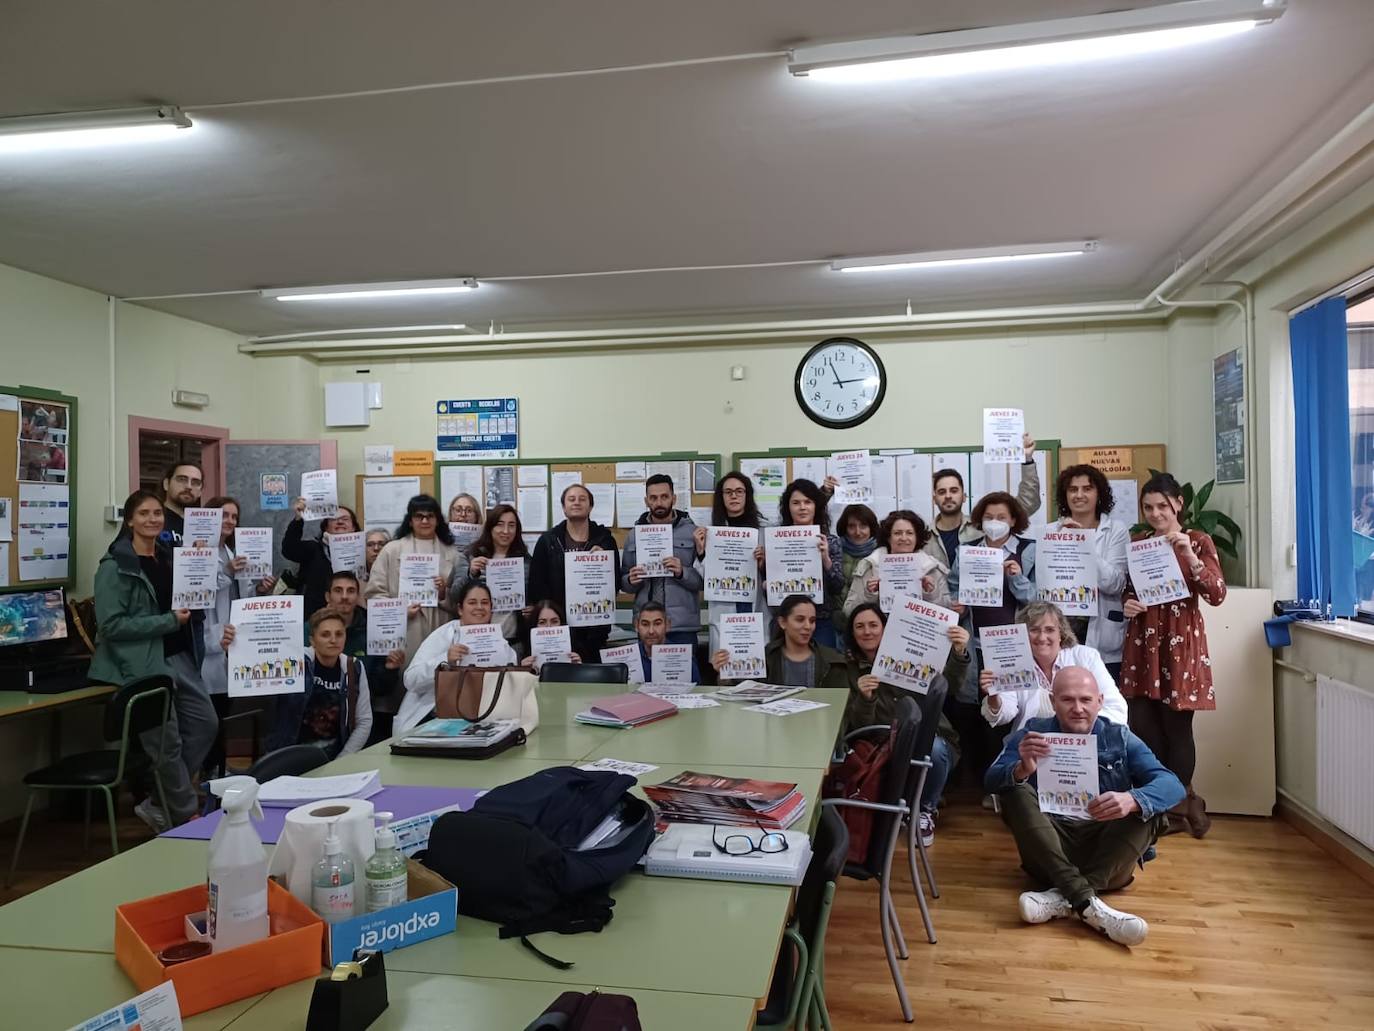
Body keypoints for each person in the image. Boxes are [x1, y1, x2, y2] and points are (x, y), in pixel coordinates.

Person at [985, 666, 1184, 947]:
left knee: (1150, 808)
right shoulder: (1033, 732)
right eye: (1067, 700)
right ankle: (1090, 904)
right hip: (1050, 849)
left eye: (1085, 700)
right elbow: (990, 780)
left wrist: (1132, 800)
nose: (1077, 708)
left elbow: (1172, 784)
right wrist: (1021, 769)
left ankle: (1065, 898)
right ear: (1053, 701)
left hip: (1107, 854)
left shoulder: (1120, 737)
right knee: (1015, 793)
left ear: (1100, 701)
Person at [89, 490, 217, 831]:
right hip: (143, 664)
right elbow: (110, 626)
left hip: (179, 656)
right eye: (143, 513)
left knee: (206, 724)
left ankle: (159, 801)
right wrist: (168, 621)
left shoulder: (167, 557)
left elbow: (187, 598)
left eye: (157, 513)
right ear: (130, 520)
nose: (152, 519)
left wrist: (200, 569)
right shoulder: (115, 566)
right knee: (166, 745)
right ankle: (185, 817)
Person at [1120, 471, 1227, 838]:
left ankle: (1177, 805)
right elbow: (1128, 589)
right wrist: (1128, 604)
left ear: (1178, 504)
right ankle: (1169, 803)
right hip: (1142, 642)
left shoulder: (1198, 541)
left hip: (1180, 644)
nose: (1155, 513)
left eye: (1162, 506)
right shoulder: (1138, 542)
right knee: (1143, 725)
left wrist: (1190, 558)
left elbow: (1216, 593)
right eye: (1148, 507)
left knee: (1177, 727)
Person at [844, 602, 968, 846]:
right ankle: (900, 806)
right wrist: (865, 700)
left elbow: (950, 687)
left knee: (935, 749)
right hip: (880, 745)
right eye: (859, 626)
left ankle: (925, 810)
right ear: (851, 633)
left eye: (873, 625)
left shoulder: (912, 654)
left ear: (885, 628)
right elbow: (858, 728)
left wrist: (959, 652)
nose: (867, 631)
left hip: (927, 738)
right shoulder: (846, 669)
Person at [234, 609, 374, 758]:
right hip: (287, 756)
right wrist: (233, 651)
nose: (333, 640)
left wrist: (342, 759)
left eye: (339, 634)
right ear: (312, 640)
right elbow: (254, 683)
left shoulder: (354, 667)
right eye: (325, 634)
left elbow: (364, 721)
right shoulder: (292, 661)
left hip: (334, 758)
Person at [200, 496, 275, 771]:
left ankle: (218, 769)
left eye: (234, 516)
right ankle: (208, 771)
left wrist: (261, 590)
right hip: (212, 640)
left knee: (225, 714)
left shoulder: (234, 553)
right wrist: (227, 573)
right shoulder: (198, 552)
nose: (230, 521)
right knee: (210, 715)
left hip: (235, 642)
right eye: (224, 515)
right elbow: (200, 592)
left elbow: (239, 597)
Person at [979, 601, 1128, 734]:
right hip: (1031, 741)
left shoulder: (1085, 656)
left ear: (1061, 634)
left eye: (1049, 630)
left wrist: (1080, 731)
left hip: (1085, 740)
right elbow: (1006, 714)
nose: (1042, 637)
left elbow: (1116, 708)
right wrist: (994, 695)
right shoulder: (1013, 663)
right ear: (1022, 634)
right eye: (1034, 630)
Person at [397, 580, 518, 732]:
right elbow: (410, 680)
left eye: (485, 603)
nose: (479, 607)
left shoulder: (500, 643)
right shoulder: (443, 635)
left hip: (484, 719)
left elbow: (510, 686)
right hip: (435, 719)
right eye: (472, 602)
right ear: (460, 609)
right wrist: (444, 660)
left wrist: (520, 670)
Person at [1047, 464, 1131, 679]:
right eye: (1073, 489)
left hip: (1103, 637)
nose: (1079, 495)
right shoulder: (1050, 532)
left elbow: (1114, 583)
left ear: (1099, 494)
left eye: (1087, 489)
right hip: (1061, 631)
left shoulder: (1116, 530)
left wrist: (1083, 541)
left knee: (1101, 703)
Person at [922, 433, 1041, 576]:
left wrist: (1027, 460)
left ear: (964, 496)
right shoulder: (922, 536)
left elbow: (1029, 502)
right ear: (934, 499)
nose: (948, 496)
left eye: (954, 490)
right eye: (942, 492)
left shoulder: (982, 526)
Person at [527, 483, 620, 663]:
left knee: (593, 686)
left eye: (582, 499)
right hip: (557, 631)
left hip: (595, 630)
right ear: (563, 507)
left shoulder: (605, 540)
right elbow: (537, 585)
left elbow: (615, 583)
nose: (576, 503)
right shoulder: (547, 541)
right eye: (571, 499)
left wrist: (605, 564)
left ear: (590, 506)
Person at [365, 494, 458, 658]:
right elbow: (374, 595)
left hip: (441, 628)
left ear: (437, 520)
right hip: (404, 630)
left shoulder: (453, 553)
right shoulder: (391, 550)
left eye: (430, 516)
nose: (424, 521)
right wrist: (398, 611)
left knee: (440, 677)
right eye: (419, 516)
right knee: (405, 677)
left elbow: (462, 603)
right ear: (410, 521)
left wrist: (443, 593)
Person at [319, 570, 405, 742]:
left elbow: (380, 688)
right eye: (338, 591)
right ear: (328, 596)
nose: (345, 596)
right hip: (319, 715)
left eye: (350, 591)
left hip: (360, 716)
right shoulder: (312, 629)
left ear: (358, 596)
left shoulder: (373, 631)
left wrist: (389, 670)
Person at [711, 594, 857, 691]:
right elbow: (739, 697)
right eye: (800, 619)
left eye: (812, 621)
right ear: (782, 622)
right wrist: (724, 674)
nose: (807, 626)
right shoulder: (765, 658)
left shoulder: (833, 661)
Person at [693, 471, 769, 654]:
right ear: (721, 497)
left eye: (739, 491)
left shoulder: (763, 533)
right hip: (724, 615)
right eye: (728, 492)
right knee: (725, 673)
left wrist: (764, 565)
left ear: (747, 495)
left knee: (756, 669)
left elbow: (774, 580)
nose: (734, 495)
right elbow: (706, 580)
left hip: (756, 613)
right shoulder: (711, 533)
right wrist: (702, 553)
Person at [621, 475, 702, 646]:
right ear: (646, 501)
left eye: (664, 496)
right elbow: (624, 583)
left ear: (674, 498)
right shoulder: (634, 535)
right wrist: (631, 579)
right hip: (646, 627)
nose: (659, 502)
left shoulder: (693, 533)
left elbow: (702, 581)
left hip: (681, 626)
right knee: (647, 673)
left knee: (683, 673)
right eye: (653, 498)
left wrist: (682, 572)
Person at [776, 479, 845, 649]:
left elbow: (838, 586)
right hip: (788, 621)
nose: (802, 507)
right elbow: (768, 586)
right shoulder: (776, 540)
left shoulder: (830, 541)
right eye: (796, 503)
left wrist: (826, 559)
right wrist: (765, 575)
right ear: (788, 508)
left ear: (816, 507)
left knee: (825, 670)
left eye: (808, 502)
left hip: (820, 620)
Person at [453, 504, 532, 648]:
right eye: (500, 525)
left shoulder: (525, 560)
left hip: (513, 640)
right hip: (477, 638)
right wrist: (470, 574)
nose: (506, 531)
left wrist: (532, 610)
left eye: (511, 525)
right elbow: (455, 595)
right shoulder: (471, 555)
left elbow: (533, 596)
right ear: (490, 528)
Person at [843, 509, 946, 615]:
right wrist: (869, 595)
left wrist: (931, 594)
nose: (904, 538)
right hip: (881, 631)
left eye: (910, 533)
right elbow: (848, 611)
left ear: (917, 537)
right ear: (888, 537)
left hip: (918, 629)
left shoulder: (931, 567)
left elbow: (948, 612)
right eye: (897, 533)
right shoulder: (869, 565)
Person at [282, 498, 362, 618]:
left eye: (345, 519)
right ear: (326, 527)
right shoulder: (313, 549)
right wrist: (298, 519)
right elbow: (289, 550)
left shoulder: (363, 552)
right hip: (314, 617)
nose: (340, 522)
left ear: (353, 527)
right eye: (334, 519)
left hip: (352, 617)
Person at [834, 503, 880, 636]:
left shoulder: (881, 555)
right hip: (838, 626)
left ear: (872, 528)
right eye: (851, 526)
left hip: (869, 626)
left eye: (863, 526)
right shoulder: (834, 550)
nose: (858, 532)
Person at [632, 601, 701, 683]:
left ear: (667, 625)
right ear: (637, 626)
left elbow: (696, 691)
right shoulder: (629, 657)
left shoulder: (684, 658)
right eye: (645, 624)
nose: (651, 631)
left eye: (657, 624)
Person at [519, 599, 583, 670]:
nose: (549, 626)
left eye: (554, 622)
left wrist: (578, 668)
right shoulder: (522, 650)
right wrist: (523, 670)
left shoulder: (576, 648)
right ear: (534, 625)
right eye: (542, 622)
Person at [159, 462, 203, 546]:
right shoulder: (151, 519)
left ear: (200, 492)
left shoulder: (202, 526)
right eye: (182, 479)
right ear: (166, 484)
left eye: (195, 482)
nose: (189, 486)